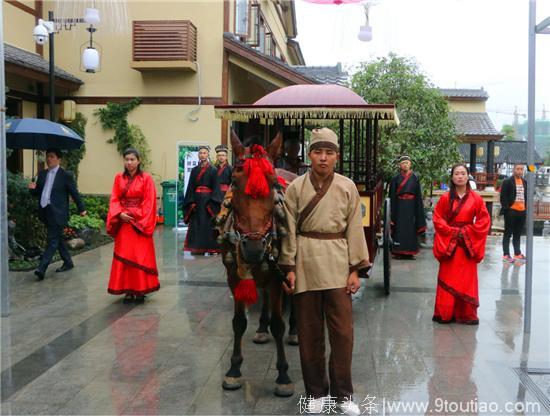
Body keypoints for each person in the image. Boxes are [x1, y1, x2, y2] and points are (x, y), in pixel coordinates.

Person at [279, 128, 370, 416]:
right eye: (318, 151)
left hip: (339, 262)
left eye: (329, 152)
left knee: (343, 333)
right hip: (305, 261)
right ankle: (316, 393)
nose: (323, 157)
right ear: (310, 155)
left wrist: (356, 269)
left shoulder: (347, 187)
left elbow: (355, 228)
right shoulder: (295, 188)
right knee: (309, 332)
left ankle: (343, 395)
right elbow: (289, 231)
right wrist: (289, 267)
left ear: (337, 157)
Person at [432, 164, 490, 324]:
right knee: (447, 276)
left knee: (466, 279)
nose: (459, 176)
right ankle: (445, 313)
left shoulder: (476, 199)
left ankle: (466, 314)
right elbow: (438, 218)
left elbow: (484, 220)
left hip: (466, 244)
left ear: (468, 176)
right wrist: (451, 232)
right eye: (456, 173)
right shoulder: (445, 198)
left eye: (463, 173)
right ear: (452, 177)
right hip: (450, 244)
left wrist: (466, 232)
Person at [106, 148, 160, 303]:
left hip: (139, 224)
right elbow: (115, 199)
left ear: (139, 161)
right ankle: (127, 290)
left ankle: (140, 290)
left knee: (139, 256)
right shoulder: (118, 178)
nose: (129, 162)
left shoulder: (146, 178)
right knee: (124, 256)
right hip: (124, 222)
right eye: (126, 159)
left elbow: (149, 202)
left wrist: (134, 216)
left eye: (132, 159)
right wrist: (119, 214)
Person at [28, 148, 86, 281]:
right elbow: (38, 192)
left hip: (58, 213)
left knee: (52, 240)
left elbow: (74, 192)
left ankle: (42, 268)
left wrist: (81, 208)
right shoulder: (42, 174)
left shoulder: (65, 175)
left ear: (58, 159)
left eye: (52, 156)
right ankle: (68, 262)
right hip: (45, 211)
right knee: (58, 239)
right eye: (48, 156)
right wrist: (31, 189)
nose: (49, 159)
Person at [182, 145, 221, 255]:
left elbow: (216, 187)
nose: (202, 155)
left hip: (208, 201)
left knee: (208, 224)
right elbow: (190, 187)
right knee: (196, 224)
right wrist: (191, 202)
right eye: (200, 153)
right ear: (198, 155)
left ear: (208, 154)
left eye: (204, 153)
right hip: (196, 201)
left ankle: (210, 248)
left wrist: (211, 203)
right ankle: (196, 248)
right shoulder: (194, 170)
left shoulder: (213, 170)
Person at [389, 155, 427, 259]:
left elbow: (418, 195)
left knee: (411, 229)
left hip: (411, 205)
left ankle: (410, 252)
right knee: (399, 228)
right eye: (403, 163)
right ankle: (398, 251)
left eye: (407, 163)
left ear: (410, 164)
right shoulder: (395, 179)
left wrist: (418, 209)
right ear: (399, 165)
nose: (405, 165)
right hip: (399, 206)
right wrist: (392, 212)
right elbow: (392, 196)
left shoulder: (415, 178)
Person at [500, 164, 527, 263]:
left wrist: (525, 209)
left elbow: (526, 196)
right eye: (518, 169)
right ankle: (506, 254)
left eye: (521, 169)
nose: (519, 171)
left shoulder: (525, 182)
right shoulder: (507, 181)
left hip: (522, 210)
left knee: (517, 233)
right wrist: (507, 208)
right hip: (511, 211)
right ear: (513, 170)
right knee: (508, 233)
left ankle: (517, 253)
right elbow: (503, 197)